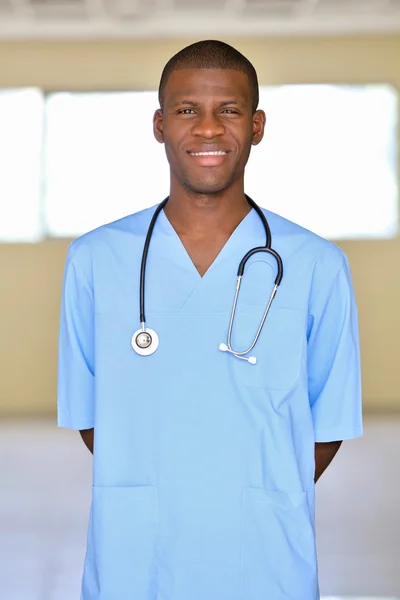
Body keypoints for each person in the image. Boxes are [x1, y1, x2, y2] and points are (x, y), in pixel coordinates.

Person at [57, 40, 363, 600]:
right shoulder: (95, 260)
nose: (207, 129)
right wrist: (170, 484)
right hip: (136, 548)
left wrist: (251, 488)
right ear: (158, 124)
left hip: (265, 548)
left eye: (229, 110)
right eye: (186, 110)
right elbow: (89, 415)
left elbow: (327, 425)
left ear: (257, 125)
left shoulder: (316, 264)